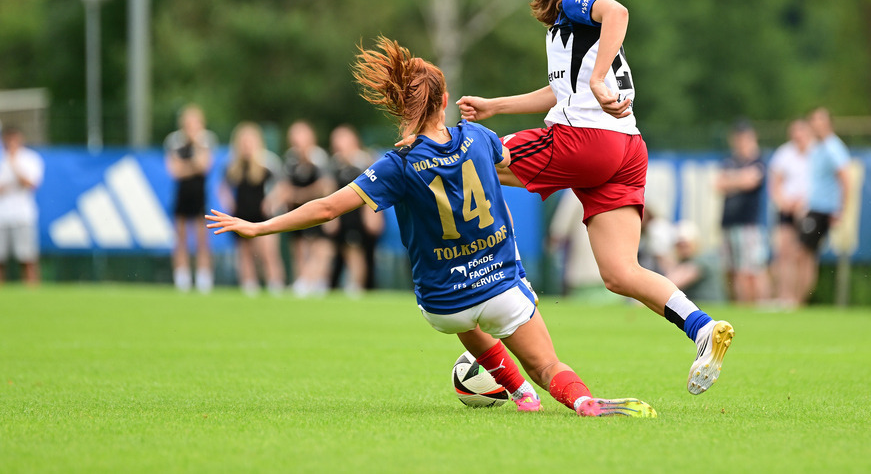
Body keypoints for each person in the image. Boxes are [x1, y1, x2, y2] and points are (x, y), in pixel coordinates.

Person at [207, 37, 656, 417]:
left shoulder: (396, 165)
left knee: (464, 311)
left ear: (400, 108)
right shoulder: (480, 138)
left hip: (444, 306)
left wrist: (258, 227)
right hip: (501, 287)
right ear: (443, 101)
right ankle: (582, 404)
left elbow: (326, 208)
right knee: (548, 365)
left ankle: (520, 395)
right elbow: (518, 164)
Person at [456, 0, 734, 396]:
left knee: (469, 162)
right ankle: (703, 328)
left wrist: (602, 78)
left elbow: (618, 14)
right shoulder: (568, 16)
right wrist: (496, 105)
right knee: (620, 272)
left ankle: (507, 293)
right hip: (625, 148)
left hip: (585, 140)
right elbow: (564, 89)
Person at [220, 122, 286, 296]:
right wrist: (229, 203)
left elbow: (281, 187)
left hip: (264, 215)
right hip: (242, 214)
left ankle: (275, 286)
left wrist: (271, 202)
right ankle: (249, 287)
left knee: (268, 253)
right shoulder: (233, 165)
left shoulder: (268, 162)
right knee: (245, 253)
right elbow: (223, 187)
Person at [797, 107, 851, 301]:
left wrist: (841, 209)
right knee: (805, 255)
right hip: (814, 207)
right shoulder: (818, 147)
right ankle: (798, 299)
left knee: (805, 254)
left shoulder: (833, 147)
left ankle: (799, 301)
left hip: (824, 209)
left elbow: (845, 178)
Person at [715, 121, 770, 304]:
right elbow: (718, 184)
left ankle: (759, 305)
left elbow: (751, 180)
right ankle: (741, 305)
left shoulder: (758, 160)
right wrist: (739, 179)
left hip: (749, 223)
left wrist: (732, 180)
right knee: (732, 270)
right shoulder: (730, 161)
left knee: (752, 269)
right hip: (729, 222)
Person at [325, 125, 383, 296]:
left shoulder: (366, 160)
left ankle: (360, 286)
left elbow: (377, 188)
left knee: (363, 254)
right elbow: (329, 189)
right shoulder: (335, 164)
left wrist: (374, 214)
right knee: (343, 253)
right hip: (343, 216)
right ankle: (349, 286)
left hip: (362, 216)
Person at [278, 120, 334, 296]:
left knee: (321, 248)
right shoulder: (290, 159)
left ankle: (317, 282)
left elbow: (326, 186)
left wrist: (299, 195)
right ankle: (301, 281)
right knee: (299, 247)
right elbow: (285, 186)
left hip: (318, 209)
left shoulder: (319, 158)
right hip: (296, 211)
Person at [165, 105, 216, 293]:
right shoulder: (174, 141)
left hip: (199, 194)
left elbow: (204, 166)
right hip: (182, 195)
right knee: (180, 238)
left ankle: (204, 278)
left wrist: (194, 149)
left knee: (203, 239)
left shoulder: (206, 140)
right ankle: (182, 278)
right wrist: (191, 167)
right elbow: (174, 171)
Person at [768, 118, 813, 307]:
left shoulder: (817, 154)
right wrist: (783, 202)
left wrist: (805, 202)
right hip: (787, 209)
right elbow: (775, 183)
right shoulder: (784, 154)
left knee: (805, 255)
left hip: (809, 210)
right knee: (784, 253)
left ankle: (800, 299)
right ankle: (784, 297)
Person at [0, 124, 44, 285]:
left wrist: (13, 163)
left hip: (23, 216)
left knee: (27, 258)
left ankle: (32, 292)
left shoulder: (30, 158)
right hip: (1, 215)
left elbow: (30, 184)